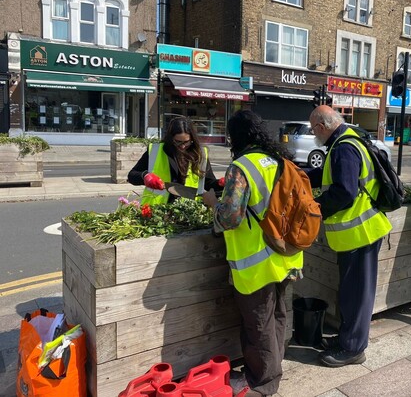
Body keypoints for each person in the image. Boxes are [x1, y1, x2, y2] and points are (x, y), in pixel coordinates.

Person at [202, 110, 303, 397]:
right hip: (286, 254)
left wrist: (213, 202)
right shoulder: (279, 161)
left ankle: (264, 381)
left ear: (236, 137)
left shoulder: (242, 167)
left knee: (258, 322)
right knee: (278, 315)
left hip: (256, 260)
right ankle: (273, 366)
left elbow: (231, 217)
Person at [305, 105, 392, 367]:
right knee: (351, 293)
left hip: (360, 233)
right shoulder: (344, 142)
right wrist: (300, 177)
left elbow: (344, 192)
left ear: (322, 126)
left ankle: (353, 348)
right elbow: (329, 176)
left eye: (313, 129)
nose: (313, 134)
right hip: (356, 234)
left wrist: (314, 208)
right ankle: (347, 339)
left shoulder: (344, 147)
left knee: (357, 295)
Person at [127, 117, 221, 205]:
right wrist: (145, 176)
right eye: (178, 142)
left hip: (189, 211)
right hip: (157, 210)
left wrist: (220, 183)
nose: (183, 146)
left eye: (186, 142)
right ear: (170, 138)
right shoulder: (155, 151)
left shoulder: (200, 155)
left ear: (192, 139)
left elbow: (208, 184)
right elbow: (132, 175)